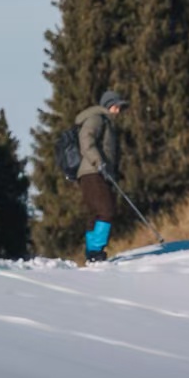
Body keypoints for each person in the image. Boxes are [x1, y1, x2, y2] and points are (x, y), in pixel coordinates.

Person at [76, 89, 128, 263]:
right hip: (93, 172)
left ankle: (92, 252)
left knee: (96, 213)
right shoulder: (97, 119)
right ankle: (96, 252)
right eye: (116, 107)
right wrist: (99, 163)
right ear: (108, 106)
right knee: (106, 210)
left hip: (98, 172)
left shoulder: (107, 122)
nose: (118, 111)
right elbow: (86, 140)